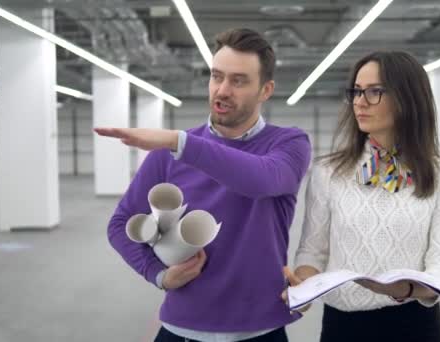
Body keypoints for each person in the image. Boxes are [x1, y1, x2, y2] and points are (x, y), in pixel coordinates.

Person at [96, 28, 311, 342]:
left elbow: (260, 179)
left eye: (238, 80)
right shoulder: (169, 155)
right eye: (216, 76)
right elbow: (120, 224)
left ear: (266, 90)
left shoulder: (288, 144)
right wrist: (158, 275)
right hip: (180, 330)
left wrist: (178, 141)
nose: (222, 90)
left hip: (260, 332)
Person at [283, 51, 440, 342]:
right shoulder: (328, 172)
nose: (359, 101)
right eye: (356, 91)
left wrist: (403, 290)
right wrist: (302, 285)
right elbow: (313, 251)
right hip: (343, 328)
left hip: (414, 326)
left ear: (408, 98)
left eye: (374, 91)